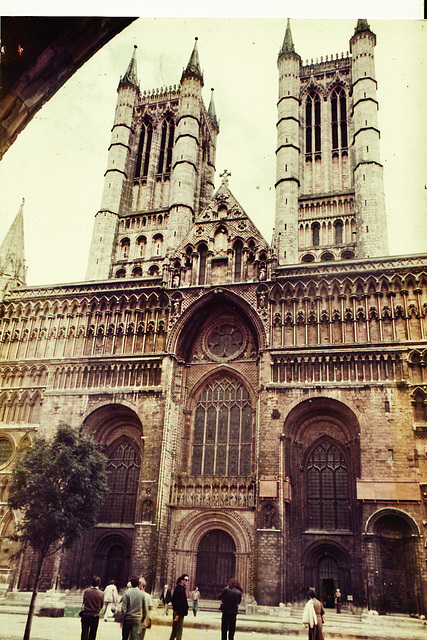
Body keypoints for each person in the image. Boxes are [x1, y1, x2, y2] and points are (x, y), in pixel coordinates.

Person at [121, 575, 148, 640]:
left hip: (128, 618)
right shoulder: (142, 594)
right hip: (137, 618)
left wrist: (122, 620)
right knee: (134, 637)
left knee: (125, 636)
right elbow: (145, 608)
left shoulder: (127, 593)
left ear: (131, 583)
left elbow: (123, 608)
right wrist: (143, 618)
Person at [80, 575, 104, 640]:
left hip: (86, 614)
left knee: (84, 632)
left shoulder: (87, 591)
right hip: (95, 615)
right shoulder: (101, 593)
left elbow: (84, 601)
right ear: (99, 583)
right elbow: (101, 605)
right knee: (93, 633)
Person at [169, 574, 189, 640]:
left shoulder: (178, 588)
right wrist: (178, 613)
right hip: (179, 613)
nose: (187, 581)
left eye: (188, 580)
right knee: (179, 632)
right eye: (186, 580)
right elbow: (180, 602)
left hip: (177, 612)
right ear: (182, 580)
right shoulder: (181, 590)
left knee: (174, 631)